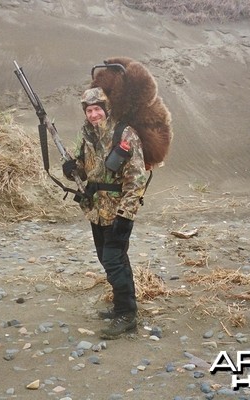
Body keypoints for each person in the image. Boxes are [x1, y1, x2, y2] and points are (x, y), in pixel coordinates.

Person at [62, 87, 148, 339]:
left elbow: (137, 179)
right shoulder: (85, 135)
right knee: (110, 259)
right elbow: (80, 168)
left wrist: (126, 214)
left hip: (118, 210)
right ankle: (125, 307)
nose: (93, 114)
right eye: (89, 110)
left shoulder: (125, 134)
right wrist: (70, 168)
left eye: (97, 109)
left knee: (113, 259)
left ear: (106, 109)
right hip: (95, 209)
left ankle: (126, 317)